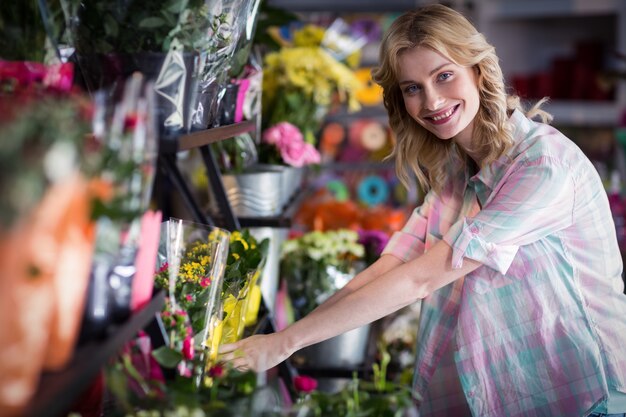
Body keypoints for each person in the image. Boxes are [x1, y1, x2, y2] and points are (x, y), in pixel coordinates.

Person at [220, 4, 626, 416]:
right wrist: (283, 339)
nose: (432, 100)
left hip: (589, 397)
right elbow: (390, 267)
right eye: (412, 87)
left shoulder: (542, 165)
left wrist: (285, 344)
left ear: (478, 71)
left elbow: (420, 278)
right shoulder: (456, 171)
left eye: (444, 75)